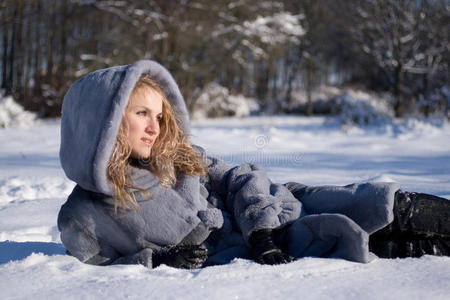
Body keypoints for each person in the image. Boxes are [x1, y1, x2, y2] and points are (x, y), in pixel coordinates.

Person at [57, 60, 450, 269]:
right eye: (142, 113)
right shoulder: (83, 214)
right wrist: (157, 259)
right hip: (268, 250)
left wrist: (260, 229)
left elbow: (241, 175)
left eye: (160, 116)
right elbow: (96, 263)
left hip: (278, 209)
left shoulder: (178, 157)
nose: (154, 127)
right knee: (387, 245)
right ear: (101, 121)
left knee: (383, 207)